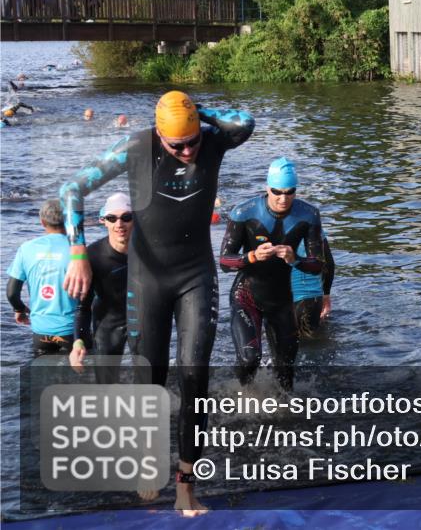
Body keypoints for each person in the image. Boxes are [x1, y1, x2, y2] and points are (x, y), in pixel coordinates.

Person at [59, 90, 254, 515]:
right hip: (147, 279)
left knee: (195, 378)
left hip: (194, 275)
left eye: (191, 143)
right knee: (151, 379)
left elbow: (245, 121)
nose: (186, 151)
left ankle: (186, 483)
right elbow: (71, 188)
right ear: (159, 135)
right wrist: (77, 252)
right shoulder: (136, 147)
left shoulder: (212, 139)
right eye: (176, 144)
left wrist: (195, 113)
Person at [219, 157, 323, 391]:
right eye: (277, 191)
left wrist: (295, 259)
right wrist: (251, 257)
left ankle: (285, 421)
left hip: (282, 300)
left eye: (290, 192)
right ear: (267, 188)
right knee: (249, 360)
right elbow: (225, 261)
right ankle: (237, 400)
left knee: (286, 375)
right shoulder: (243, 212)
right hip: (246, 297)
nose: (283, 198)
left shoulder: (309, 215)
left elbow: (318, 265)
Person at [69, 193, 132, 384]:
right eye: (112, 218)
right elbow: (83, 306)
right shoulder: (94, 256)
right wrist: (78, 340)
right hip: (108, 322)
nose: (119, 224)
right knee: (106, 386)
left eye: (126, 217)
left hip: (144, 322)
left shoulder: (150, 251)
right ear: (103, 221)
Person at [6, 200, 78, 358]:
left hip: (40, 331)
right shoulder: (78, 250)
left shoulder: (26, 249)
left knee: (42, 378)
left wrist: (19, 310)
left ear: (42, 222)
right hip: (72, 330)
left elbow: (11, 293)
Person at [292, 234, 334, 338]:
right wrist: (326, 295)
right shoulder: (312, 224)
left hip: (277, 298)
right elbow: (329, 264)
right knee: (316, 340)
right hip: (310, 297)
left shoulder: (264, 223)